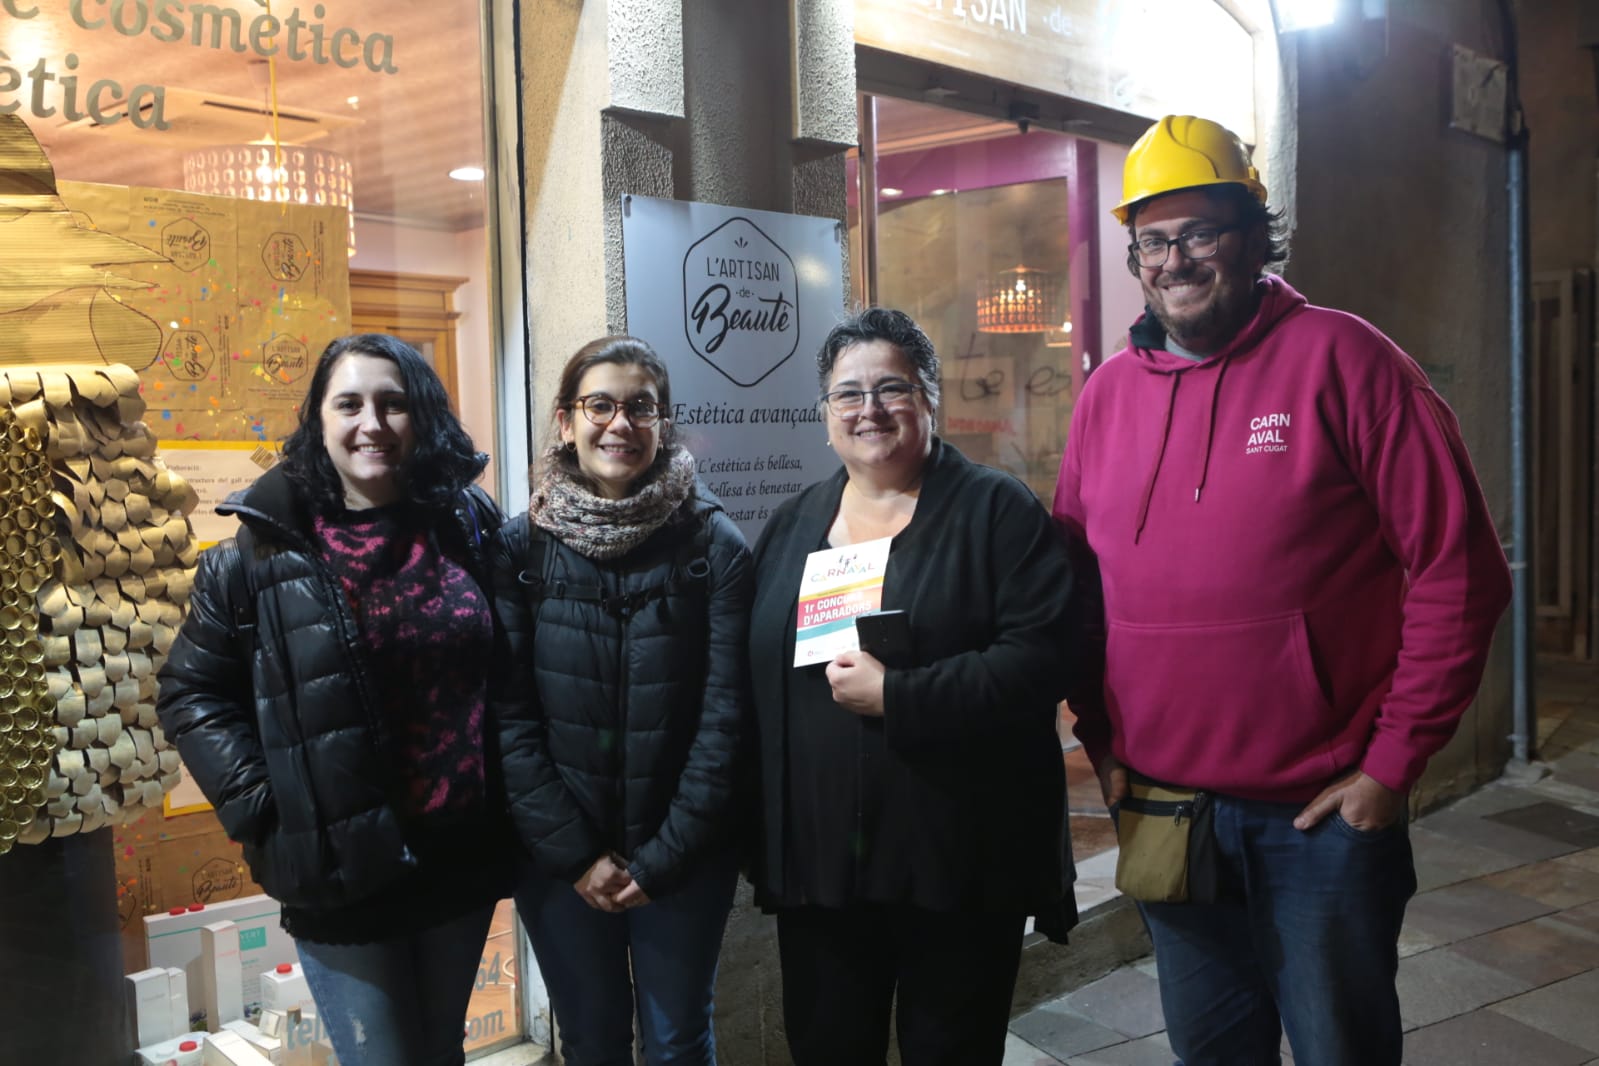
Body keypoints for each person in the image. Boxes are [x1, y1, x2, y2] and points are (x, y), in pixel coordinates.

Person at [1053, 115, 1514, 1066]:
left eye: (1201, 232)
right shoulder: (1106, 396)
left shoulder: (1347, 361)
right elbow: (1075, 591)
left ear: (1257, 236)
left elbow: (1458, 570)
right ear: (1133, 255)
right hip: (1165, 808)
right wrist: (1103, 747)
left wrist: (1391, 766)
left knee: (1339, 1048)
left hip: (1318, 818)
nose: (1175, 259)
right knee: (1210, 1051)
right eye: (1153, 239)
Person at [156, 334, 507, 1065]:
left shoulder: (465, 523)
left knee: (440, 1051)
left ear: (422, 418)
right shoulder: (256, 553)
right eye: (348, 403)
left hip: (460, 858)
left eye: (393, 403)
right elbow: (190, 692)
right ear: (317, 419)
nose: (371, 423)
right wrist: (265, 807)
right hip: (339, 872)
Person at [746, 307, 1077, 1066]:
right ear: (824, 412)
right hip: (823, 872)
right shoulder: (794, 524)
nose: (869, 410)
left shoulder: (996, 511)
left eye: (890, 388)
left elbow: (1040, 658)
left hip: (954, 865)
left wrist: (902, 697)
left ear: (927, 396)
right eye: (847, 394)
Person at [491, 336, 752, 1066]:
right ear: (565, 420)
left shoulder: (714, 545)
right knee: (591, 1041)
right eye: (599, 404)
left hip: (684, 857)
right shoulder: (521, 551)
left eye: (641, 407)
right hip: (558, 860)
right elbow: (508, 720)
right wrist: (574, 855)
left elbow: (726, 717)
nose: (620, 424)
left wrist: (664, 858)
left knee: (676, 1042)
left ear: (664, 421)